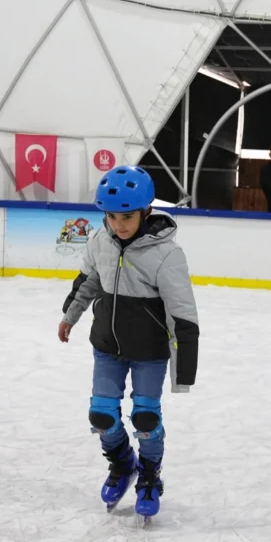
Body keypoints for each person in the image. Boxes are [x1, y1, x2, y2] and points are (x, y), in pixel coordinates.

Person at [58, 165, 200, 523]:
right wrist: (70, 315)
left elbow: (182, 313)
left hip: (149, 353)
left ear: (146, 211)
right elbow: (88, 281)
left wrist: (182, 370)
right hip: (107, 345)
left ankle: (150, 473)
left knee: (146, 417)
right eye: (111, 216)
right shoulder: (99, 240)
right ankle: (123, 463)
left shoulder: (167, 255)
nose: (118, 224)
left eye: (127, 216)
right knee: (101, 415)